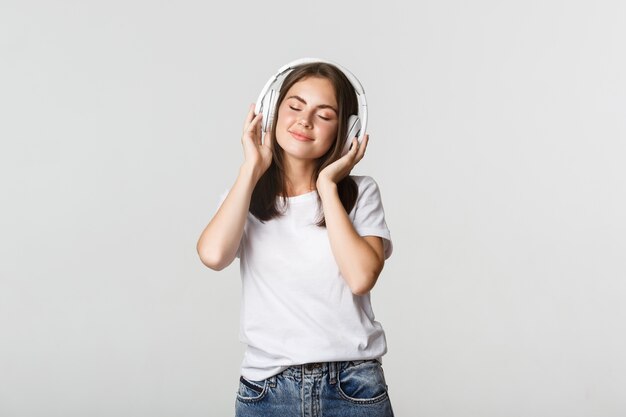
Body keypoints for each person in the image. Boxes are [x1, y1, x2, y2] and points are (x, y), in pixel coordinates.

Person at [196, 60, 395, 417]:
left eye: (325, 115)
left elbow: (361, 277)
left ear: (347, 130)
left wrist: (326, 188)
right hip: (267, 389)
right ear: (272, 111)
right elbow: (213, 255)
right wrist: (251, 168)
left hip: (352, 386)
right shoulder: (245, 196)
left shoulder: (360, 193)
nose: (305, 121)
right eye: (295, 106)